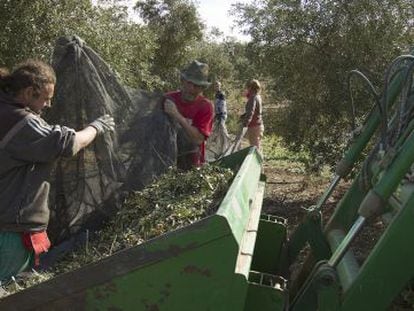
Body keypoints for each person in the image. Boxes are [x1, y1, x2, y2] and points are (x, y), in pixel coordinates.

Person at [0, 59, 115, 282]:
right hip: (11, 232)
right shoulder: (21, 123)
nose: (48, 105)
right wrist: (96, 127)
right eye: (46, 98)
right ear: (29, 92)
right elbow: (67, 143)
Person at [164, 60, 214, 170]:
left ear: (202, 88)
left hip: (190, 164)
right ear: (182, 81)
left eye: (197, 86)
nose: (192, 89)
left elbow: (198, 139)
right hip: (164, 159)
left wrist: (177, 115)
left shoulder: (205, 106)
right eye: (189, 83)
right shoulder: (168, 99)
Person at [240, 79, 264, 152]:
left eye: (248, 87)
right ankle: (259, 161)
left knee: (254, 147)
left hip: (254, 126)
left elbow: (251, 112)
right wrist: (244, 115)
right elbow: (254, 111)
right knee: (257, 145)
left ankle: (257, 162)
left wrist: (245, 123)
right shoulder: (258, 96)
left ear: (250, 87)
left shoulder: (253, 97)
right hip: (258, 124)